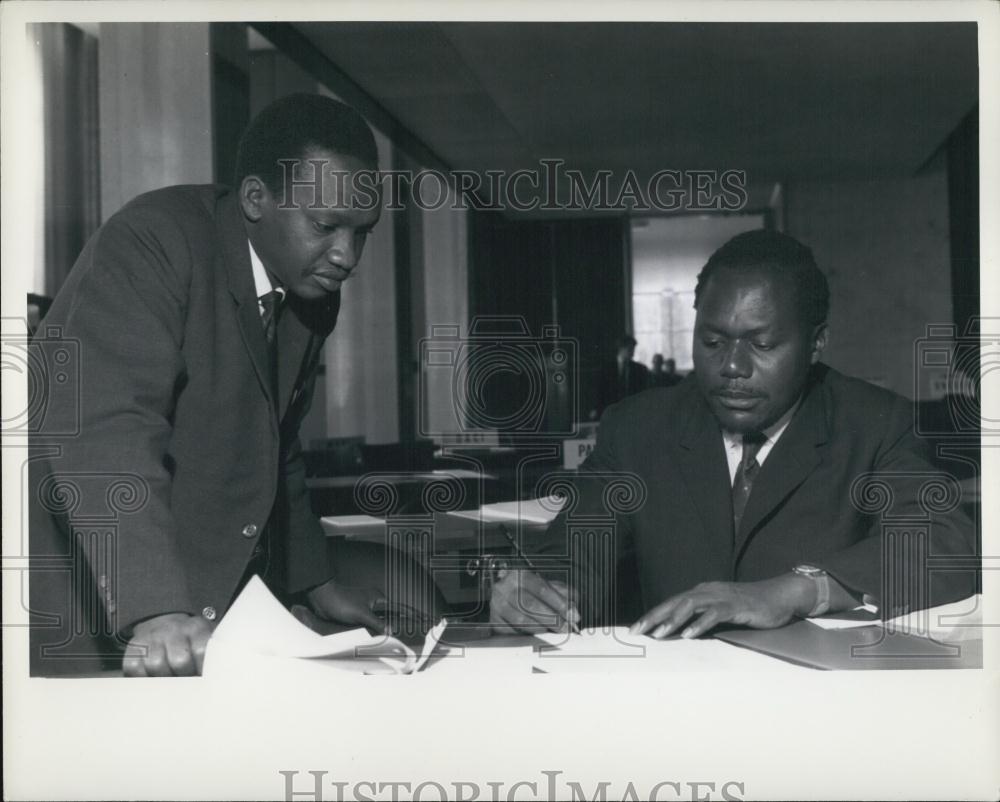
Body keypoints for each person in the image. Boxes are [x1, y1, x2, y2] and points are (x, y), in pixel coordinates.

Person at [28, 93, 440, 677]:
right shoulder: (154, 241)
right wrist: (157, 609)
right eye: (325, 226)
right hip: (90, 596)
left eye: (362, 232)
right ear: (255, 200)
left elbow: (277, 443)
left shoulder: (309, 288)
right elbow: (104, 430)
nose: (347, 255)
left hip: (192, 604)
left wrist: (315, 579)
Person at [491, 229, 976, 637]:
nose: (732, 367)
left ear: (816, 344)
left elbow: (945, 545)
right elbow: (575, 545)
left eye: (762, 345)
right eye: (712, 341)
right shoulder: (639, 427)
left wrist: (793, 590)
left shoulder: (873, 423)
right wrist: (542, 591)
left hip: (819, 710)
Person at [593, 334, 650, 418]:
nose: (633, 353)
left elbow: (643, 393)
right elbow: (600, 391)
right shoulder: (606, 368)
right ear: (620, 349)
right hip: (611, 411)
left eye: (633, 350)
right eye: (630, 350)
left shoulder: (640, 369)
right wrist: (596, 409)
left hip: (633, 412)